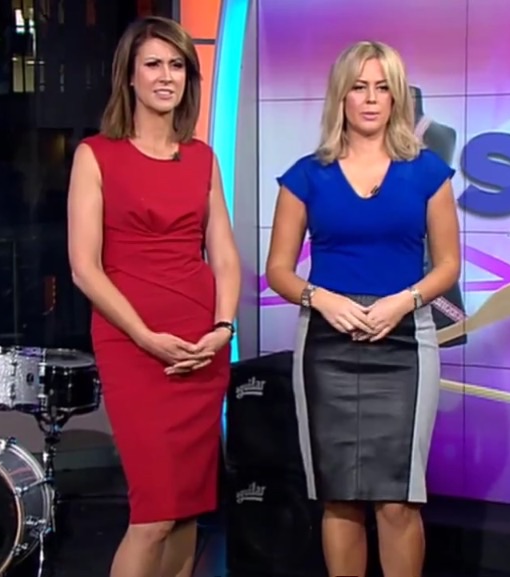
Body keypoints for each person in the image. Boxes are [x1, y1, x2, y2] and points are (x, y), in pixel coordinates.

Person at [264, 40, 461, 577]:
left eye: (382, 88)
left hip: (404, 344)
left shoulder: (427, 173)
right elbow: (278, 269)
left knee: (397, 499)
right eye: (359, 87)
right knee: (340, 497)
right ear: (341, 96)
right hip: (327, 344)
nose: (371, 99)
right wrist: (321, 298)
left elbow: (448, 265)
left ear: (396, 98)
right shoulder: (306, 176)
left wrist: (403, 302)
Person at [66, 16, 241, 577]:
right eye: (154, 65)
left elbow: (225, 255)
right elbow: (85, 269)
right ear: (130, 76)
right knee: (154, 516)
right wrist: (144, 335)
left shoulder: (202, 158)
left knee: (187, 509)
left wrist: (223, 329)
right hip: (133, 347)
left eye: (177, 66)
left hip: (201, 346)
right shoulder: (96, 155)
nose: (167, 77)